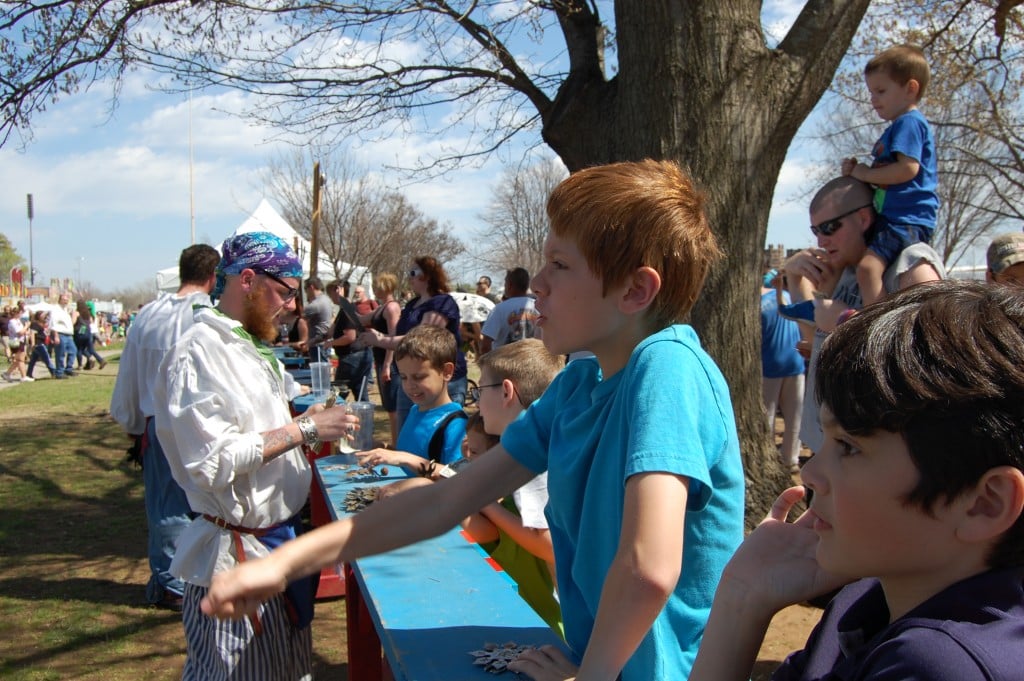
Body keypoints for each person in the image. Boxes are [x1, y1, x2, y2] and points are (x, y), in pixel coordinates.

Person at [201, 159, 745, 681]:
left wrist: (595, 674)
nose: (538, 282)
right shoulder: (578, 386)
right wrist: (288, 561)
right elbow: (446, 499)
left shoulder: (668, 367)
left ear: (635, 290)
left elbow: (649, 566)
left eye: (560, 264)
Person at [690, 280, 1024, 681]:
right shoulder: (869, 598)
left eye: (848, 446)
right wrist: (743, 597)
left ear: (985, 503)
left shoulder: (940, 664)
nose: (810, 473)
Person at [152, 232, 360, 679]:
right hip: (235, 559)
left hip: (277, 546)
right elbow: (210, 462)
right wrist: (304, 429)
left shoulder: (247, 345)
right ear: (247, 279)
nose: (292, 306)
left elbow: (262, 425)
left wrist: (311, 416)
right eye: (285, 292)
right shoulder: (198, 353)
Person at [784, 176, 943, 457]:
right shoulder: (844, 269)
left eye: (830, 227)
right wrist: (795, 278)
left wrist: (846, 320)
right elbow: (813, 337)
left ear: (863, 218)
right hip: (827, 453)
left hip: (875, 464)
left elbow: (929, 362)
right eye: (816, 230)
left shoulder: (912, 268)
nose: (821, 239)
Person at [110, 244, 220, 611]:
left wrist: (132, 420)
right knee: (185, 504)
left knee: (172, 505)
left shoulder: (147, 316)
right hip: (196, 423)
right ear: (212, 276)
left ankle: (178, 580)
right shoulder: (210, 315)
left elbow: (129, 374)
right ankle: (175, 583)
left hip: (163, 422)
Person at [841, 44, 938, 306]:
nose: (873, 99)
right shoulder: (898, 127)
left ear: (911, 88)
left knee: (868, 269)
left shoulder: (909, 122)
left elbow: (908, 169)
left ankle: (876, 325)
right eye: (871, 92)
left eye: (881, 91)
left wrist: (864, 173)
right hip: (893, 217)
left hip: (906, 218)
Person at [360, 256, 468, 430]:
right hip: (411, 377)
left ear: (427, 275)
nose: (409, 277)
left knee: (440, 433)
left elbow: (422, 340)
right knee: (408, 432)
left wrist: (380, 340)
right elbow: (404, 336)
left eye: (413, 272)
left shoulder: (442, 302)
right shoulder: (412, 305)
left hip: (443, 380)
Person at [356, 325, 467, 475]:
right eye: (403, 377)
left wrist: (405, 458)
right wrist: (383, 449)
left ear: (446, 372)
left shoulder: (456, 424)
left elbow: (457, 476)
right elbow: (409, 457)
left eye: (419, 377)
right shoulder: (416, 410)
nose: (409, 385)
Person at [760, 269, 805, 474]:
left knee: (767, 418)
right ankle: (790, 460)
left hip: (770, 366)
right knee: (795, 416)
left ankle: (766, 459)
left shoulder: (757, 305)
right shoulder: (788, 297)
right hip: (796, 363)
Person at [363, 272, 402, 446]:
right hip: (379, 360)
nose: (374, 289)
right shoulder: (380, 307)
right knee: (389, 407)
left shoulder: (392, 308)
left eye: (377, 286)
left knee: (393, 409)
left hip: (389, 363)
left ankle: (396, 445)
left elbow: (393, 338)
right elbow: (362, 319)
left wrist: (387, 365)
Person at [323, 279, 373, 399]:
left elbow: (349, 337)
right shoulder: (343, 310)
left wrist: (330, 343)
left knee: (339, 393)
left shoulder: (347, 311)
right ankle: (364, 416)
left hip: (353, 357)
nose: (330, 298)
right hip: (358, 355)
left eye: (330, 294)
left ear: (338, 291)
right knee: (360, 393)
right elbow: (331, 331)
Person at [480, 266, 540, 354]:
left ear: (509, 285)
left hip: (504, 363)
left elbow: (485, 345)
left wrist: (488, 365)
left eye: (505, 283)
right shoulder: (539, 307)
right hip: (533, 363)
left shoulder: (499, 309)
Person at [301, 276, 334, 363]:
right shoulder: (327, 300)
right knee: (324, 370)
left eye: (305, 289)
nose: (305, 292)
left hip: (317, 343)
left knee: (319, 372)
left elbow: (300, 317)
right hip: (326, 341)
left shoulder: (315, 304)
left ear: (311, 287)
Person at [49, 292, 77, 378]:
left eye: (66, 300)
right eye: (64, 299)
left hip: (68, 335)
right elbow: (53, 323)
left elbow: (71, 323)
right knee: (60, 354)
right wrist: (56, 335)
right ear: (60, 300)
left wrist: (74, 316)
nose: (65, 301)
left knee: (73, 351)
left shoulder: (65, 310)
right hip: (60, 334)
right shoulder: (56, 309)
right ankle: (59, 372)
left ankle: (68, 369)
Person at [74, 299, 107, 370]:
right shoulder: (88, 314)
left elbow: (74, 322)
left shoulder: (77, 313)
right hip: (89, 332)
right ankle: (100, 360)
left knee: (79, 349)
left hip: (80, 332)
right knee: (91, 349)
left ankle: (81, 364)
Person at [3, 306, 31, 382]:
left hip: (21, 340)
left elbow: (23, 331)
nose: (21, 314)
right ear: (16, 313)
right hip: (16, 341)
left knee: (18, 360)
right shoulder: (12, 321)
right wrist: (26, 326)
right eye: (20, 313)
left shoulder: (18, 321)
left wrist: (26, 331)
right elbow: (19, 332)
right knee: (21, 360)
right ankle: (23, 376)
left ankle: (7, 373)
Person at [26, 310, 56, 379]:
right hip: (38, 343)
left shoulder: (43, 324)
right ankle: (53, 372)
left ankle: (29, 373)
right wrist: (33, 344)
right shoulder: (35, 324)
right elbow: (32, 333)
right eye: (43, 316)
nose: (45, 317)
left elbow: (46, 333)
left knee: (33, 360)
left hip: (42, 342)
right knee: (46, 358)